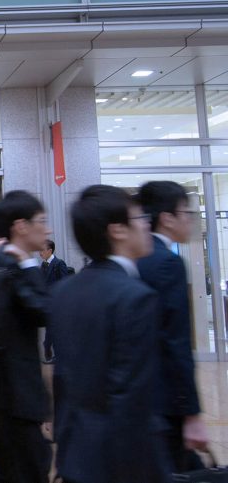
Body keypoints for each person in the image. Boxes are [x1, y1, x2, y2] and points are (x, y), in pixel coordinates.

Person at [50, 185, 166, 483]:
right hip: (120, 461)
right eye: (139, 217)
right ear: (117, 230)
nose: (146, 225)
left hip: (76, 452)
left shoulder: (64, 292)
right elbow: (131, 398)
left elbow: (62, 382)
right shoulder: (135, 297)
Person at [0, 191, 51, 483]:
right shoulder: (12, 265)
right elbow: (42, 310)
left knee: (11, 467)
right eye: (41, 221)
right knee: (29, 467)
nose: (47, 228)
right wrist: (29, 265)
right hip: (13, 393)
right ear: (21, 226)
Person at [136, 181, 208, 473]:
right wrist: (191, 412)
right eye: (185, 212)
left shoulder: (134, 257)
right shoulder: (167, 262)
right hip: (165, 399)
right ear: (166, 217)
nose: (190, 219)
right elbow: (175, 341)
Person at [40, 238, 70, 363]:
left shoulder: (59, 264)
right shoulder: (43, 265)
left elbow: (64, 283)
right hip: (47, 303)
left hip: (57, 303)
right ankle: (49, 350)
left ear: (50, 250)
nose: (40, 252)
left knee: (53, 329)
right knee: (51, 328)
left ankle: (53, 353)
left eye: (43, 250)